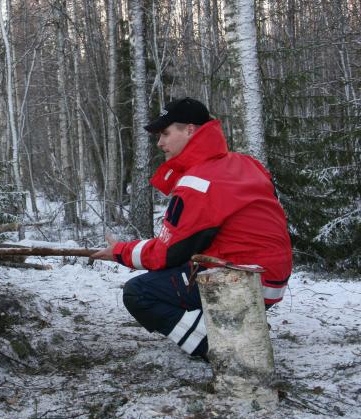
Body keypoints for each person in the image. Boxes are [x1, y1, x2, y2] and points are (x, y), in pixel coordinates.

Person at [91, 97, 292, 358]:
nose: (160, 143)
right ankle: (236, 323)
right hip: (271, 279)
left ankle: (222, 348)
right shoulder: (246, 163)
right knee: (180, 269)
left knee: (138, 293)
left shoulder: (199, 180)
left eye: (165, 133)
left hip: (242, 280)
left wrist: (120, 252)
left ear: (190, 129)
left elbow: (168, 252)